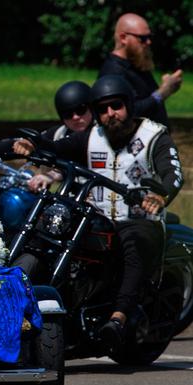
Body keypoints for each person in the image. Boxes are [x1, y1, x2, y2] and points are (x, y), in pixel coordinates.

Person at [14, 75, 184, 351]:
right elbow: (59, 148)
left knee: (135, 243)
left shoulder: (154, 136)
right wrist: (34, 147)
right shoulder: (94, 135)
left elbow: (173, 173)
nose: (110, 114)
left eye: (116, 106)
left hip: (138, 217)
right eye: (103, 109)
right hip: (98, 215)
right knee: (53, 228)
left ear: (129, 105)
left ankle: (118, 317)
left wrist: (160, 195)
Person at [98, 12, 183, 128]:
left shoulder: (137, 64)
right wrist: (163, 92)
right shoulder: (113, 71)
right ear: (123, 38)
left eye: (149, 37)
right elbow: (130, 113)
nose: (148, 42)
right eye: (142, 38)